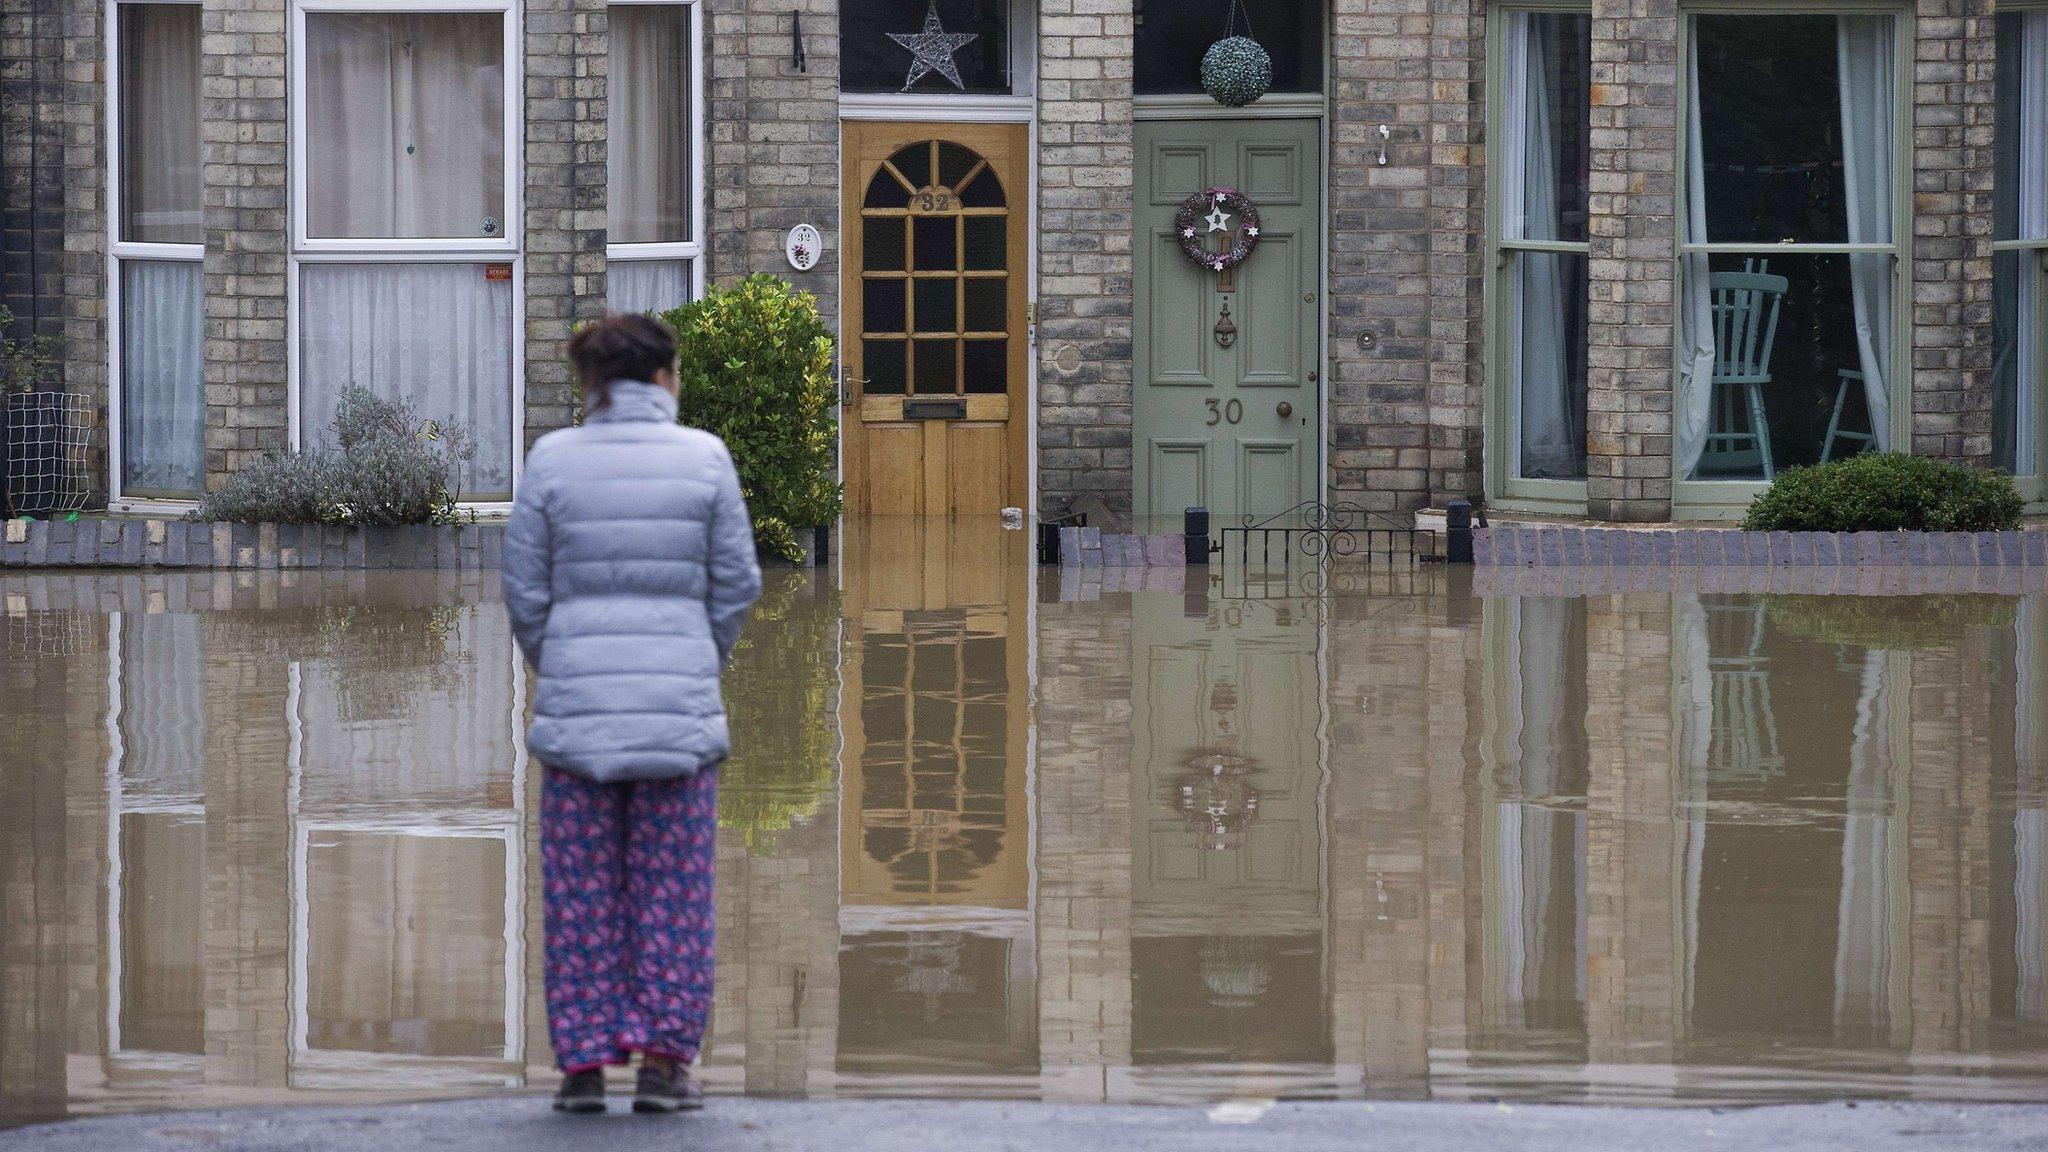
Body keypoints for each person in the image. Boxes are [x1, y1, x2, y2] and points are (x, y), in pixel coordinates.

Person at [503, 312, 762, 1114]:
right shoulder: (707, 460)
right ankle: (662, 1066)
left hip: (577, 723)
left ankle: (581, 1069)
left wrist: (568, 666)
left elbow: (524, 592)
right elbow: (738, 585)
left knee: (581, 897)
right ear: (662, 378)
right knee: (674, 899)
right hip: (677, 724)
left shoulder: (550, 461)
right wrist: (693, 661)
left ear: (593, 385)